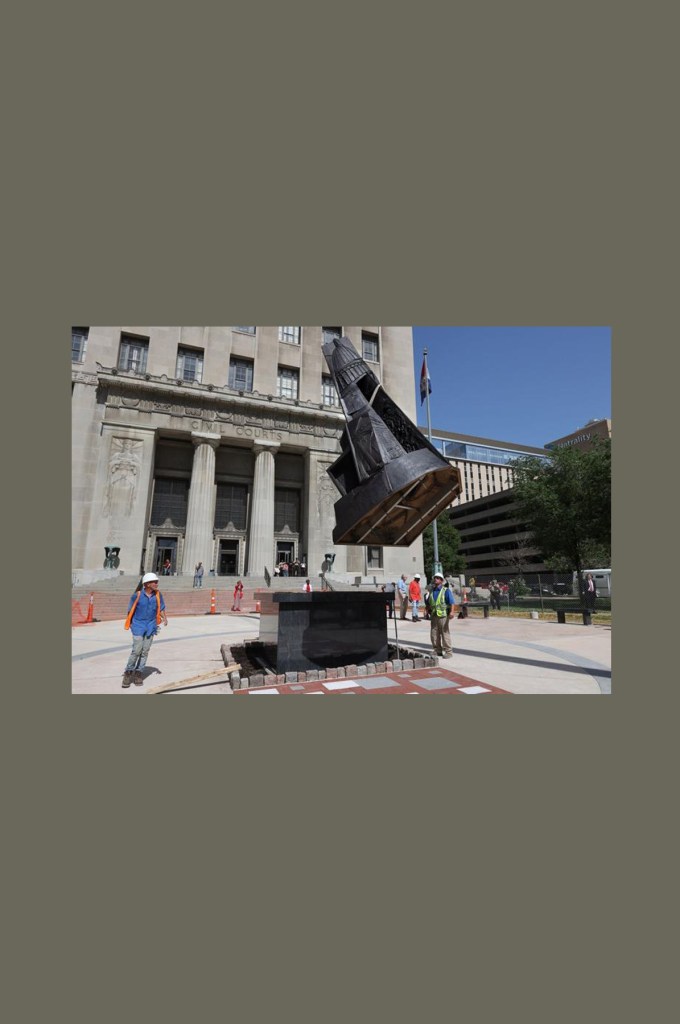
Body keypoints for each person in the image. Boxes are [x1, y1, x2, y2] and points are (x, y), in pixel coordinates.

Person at [122, 572, 167, 688]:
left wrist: (165, 618)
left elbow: (161, 607)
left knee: (145, 651)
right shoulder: (137, 595)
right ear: (146, 584)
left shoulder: (158, 595)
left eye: (157, 582)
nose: (157, 584)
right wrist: (131, 624)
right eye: (154, 582)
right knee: (137, 650)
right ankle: (128, 672)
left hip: (151, 626)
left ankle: (138, 673)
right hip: (138, 625)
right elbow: (130, 610)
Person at [427, 572, 455, 658]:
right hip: (434, 615)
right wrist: (428, 609)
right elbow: (429, 602)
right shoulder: (432, 591)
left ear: (442, 580)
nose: (436, 579)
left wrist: (452, 612)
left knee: (445, 633)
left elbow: (452, 602)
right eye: (435, 578)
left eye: (438, 578)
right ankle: (437, 650)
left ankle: (448, 652)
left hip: (443, 616)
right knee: (434, 633)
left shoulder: (446, 590)